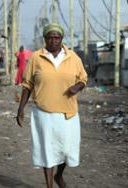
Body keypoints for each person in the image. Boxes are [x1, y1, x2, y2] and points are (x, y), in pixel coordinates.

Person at [16, 23, 87, 188]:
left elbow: (83, 78)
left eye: (56, 37)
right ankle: (50, 185)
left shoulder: (73, 57)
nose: (53, 41)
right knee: (47, 151)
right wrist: (20, 110)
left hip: (68, 113)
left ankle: (59, 175)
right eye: (49, 37)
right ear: (45, 39)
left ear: (62, 39)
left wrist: (77, 87)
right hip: (44, 113)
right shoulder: (36, 57)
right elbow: (27, 85)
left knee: (68, 151)